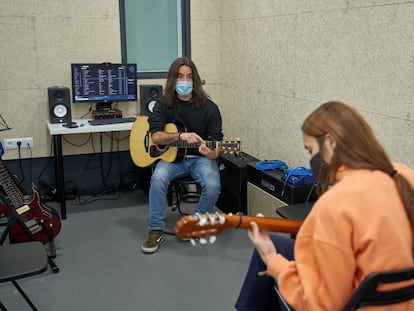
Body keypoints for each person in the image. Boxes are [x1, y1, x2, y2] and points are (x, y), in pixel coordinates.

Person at [235, 101, 414, 310]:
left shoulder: (337, 202)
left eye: (310, 150)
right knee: (274, 242)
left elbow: (319, 304)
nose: (311, 159)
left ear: (330, 143)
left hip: (348, 302)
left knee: (267, 263)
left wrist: (272, 259)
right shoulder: (403, 176)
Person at [141, 57, 223, 254]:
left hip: (200, 159)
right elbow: (156, 137)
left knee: (213, 186)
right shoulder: (163, 104)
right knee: (158, 178)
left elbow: (217, 146)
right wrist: (180, 135)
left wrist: (210, 152)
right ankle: (155, 229)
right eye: (180, 76)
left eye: (189, 76)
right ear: (172, 79)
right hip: (172, 159)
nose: (184, 81)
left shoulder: (210, 108)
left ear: (195, 80)